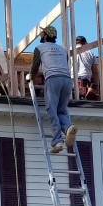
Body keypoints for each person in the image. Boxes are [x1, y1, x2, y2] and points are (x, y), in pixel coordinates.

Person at [31, 24, 77, 153]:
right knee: (61, 110)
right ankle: (68, 127)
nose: (40, 35)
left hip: (53, 79)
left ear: (45, 36)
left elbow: (35, 67)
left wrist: (30, 77)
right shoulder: (63, 50)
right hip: (67, 80)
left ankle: (57, 142)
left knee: (51, 109)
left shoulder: (39, 48)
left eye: (42, 33)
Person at [73, 35, 99, 99]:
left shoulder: (69, 51)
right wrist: (95, 87)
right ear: (85, 43)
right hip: (84, 82)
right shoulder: (90, 54)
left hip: (70, 81)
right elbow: (95, 72)